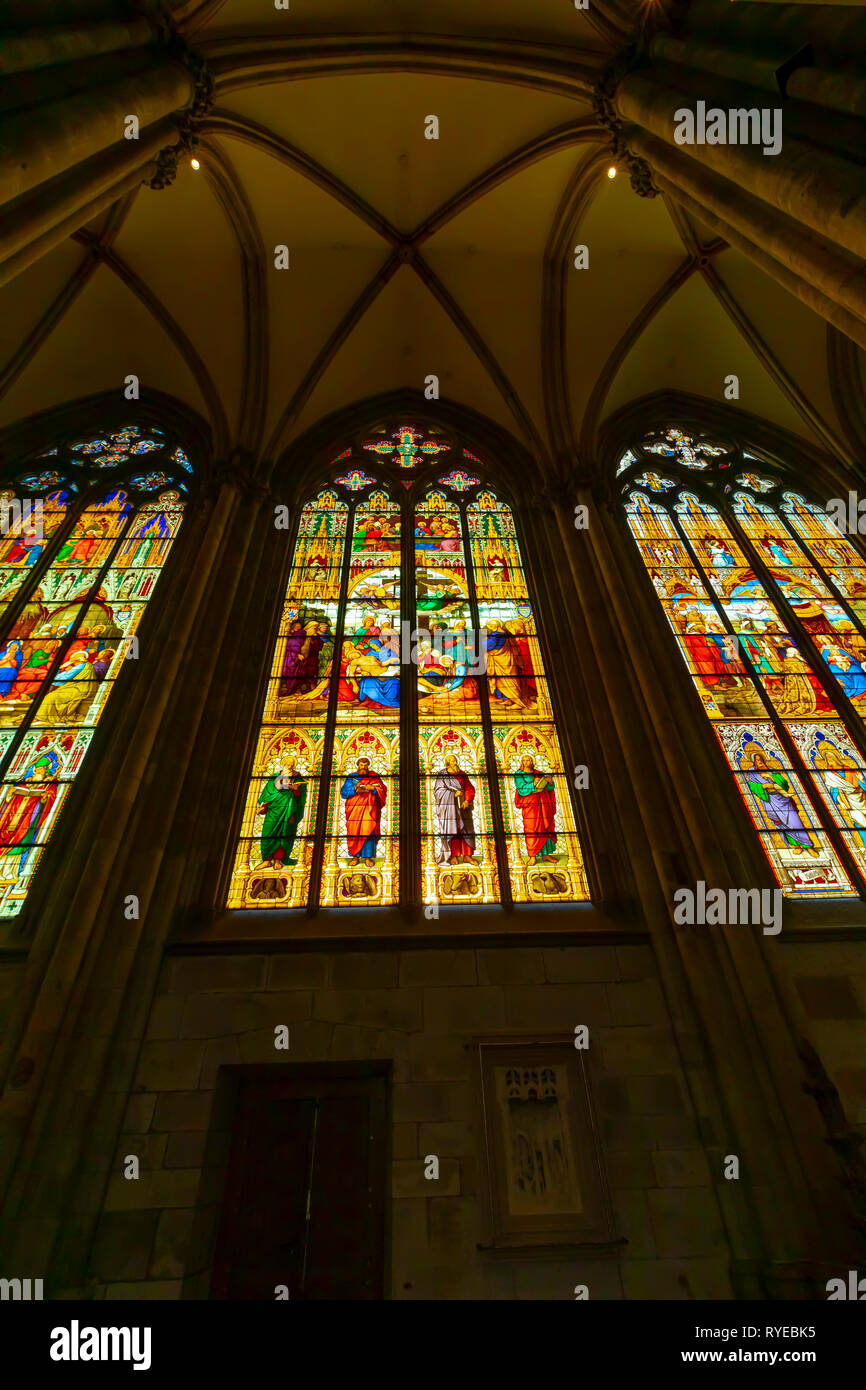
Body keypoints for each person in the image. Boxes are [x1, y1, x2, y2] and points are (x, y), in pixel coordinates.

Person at [257, 757, 307, 867]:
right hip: (274, 809)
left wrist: (297, 789)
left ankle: (278, 860)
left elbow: (302, 792)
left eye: (291, 764)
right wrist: (290, 787)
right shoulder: (276, 776)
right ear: (283, 765)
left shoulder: (297, 776)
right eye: (287, 764)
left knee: (285, 832)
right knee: (268, 832)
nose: (289, 766)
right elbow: (270, 791)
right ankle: (267, 860)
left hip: (290, 808)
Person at [341, 757, 387, 866]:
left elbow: (382, 789)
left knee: (369, 830)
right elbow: (344, 792)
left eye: (365, 765)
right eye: (361, 765)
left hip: (370, 809)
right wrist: (355, 788)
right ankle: (355, 857)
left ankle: (368, 857)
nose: (363, 767)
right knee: (354, 832)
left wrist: (373, 788)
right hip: (354, 809)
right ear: (358, 765)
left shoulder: (374, 776)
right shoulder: (352, 777)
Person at [433, 754, 477, 864]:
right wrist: (453, 794)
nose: (454, 762)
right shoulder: (442, 774)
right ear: (447, 762)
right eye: (452, 760)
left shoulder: (462, 774)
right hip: (450, 808)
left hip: (464, 806)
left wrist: (467, 800)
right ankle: (453, 856)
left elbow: (469, 788)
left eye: (455, 760)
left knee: (467, 830)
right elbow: (438, 791)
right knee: (453, 830)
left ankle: (467, 856)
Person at [513, 755, 558, 861]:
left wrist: (550, 783)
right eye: (524, 760)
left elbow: (549, 789)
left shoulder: (538, 773)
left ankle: (545, 854)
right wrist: (533, 784)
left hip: (543, 804)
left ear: (532, 761)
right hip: (530, 805)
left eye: (528, 760)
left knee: (545, 827)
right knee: (532, 828)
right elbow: (521, 788)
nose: (526, 762)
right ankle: (532, 856)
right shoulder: (519, 774)